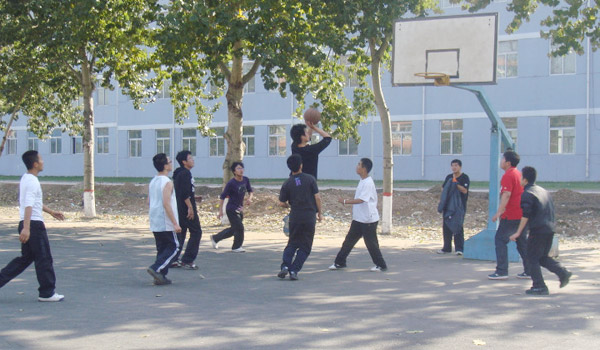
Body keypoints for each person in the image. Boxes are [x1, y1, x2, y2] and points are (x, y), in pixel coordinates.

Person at [0, 151, 66, 302]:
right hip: (34, 225)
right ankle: (47, 293)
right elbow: (28, 205)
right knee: (44, 259)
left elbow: (34, 203)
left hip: (29, 223)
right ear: (35, 164)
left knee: (25, 259)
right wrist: (27, 228)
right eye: (41, 159)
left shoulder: (26, 178)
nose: (43, 161)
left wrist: (51, 212)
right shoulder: (32, 182)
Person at [509, 166, 572, 295]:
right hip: (549, 229)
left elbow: (525, 215)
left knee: (531, 258)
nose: (520, 179)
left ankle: (539, 286)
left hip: (538, 230)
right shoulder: (543, 191)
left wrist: (518, 232)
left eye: (521, 177)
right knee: (542, 257)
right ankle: (563, 272)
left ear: (525, 180)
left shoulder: (527, 193)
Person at [329, 158, 387, 272]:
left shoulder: (368, 183)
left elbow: (361, 200)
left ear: (364, 169)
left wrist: (345, 201)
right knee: (349, 241)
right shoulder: (363, 180)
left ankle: (381, 265)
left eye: (359, 165)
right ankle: (339, 262)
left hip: (368, 220)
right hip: (359, 219)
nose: (357, 166)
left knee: (371, 243)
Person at [277, 154, 322, 280]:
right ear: (301, 165)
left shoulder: (287, 183)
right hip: (309, 217)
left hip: (295, 216)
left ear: (290, 168)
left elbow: (281, 202)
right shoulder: (310, 179)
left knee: (292, 243)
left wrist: (287, 206)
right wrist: (320, 212)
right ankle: (294, 270)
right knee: (305, 246)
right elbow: (317, 197)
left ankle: (285, 266)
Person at [488, 150, 530, 280]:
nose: (501, 161)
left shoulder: (508, 175)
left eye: (502, 159)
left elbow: (506, 195)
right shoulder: (519, 174)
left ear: (508, 162)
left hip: (511, 215)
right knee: (522, 243)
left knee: (500, 240)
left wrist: (499, 212)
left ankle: (502, 271)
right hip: (522, 214)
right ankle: (530, 270)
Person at [147, 153, 181, 285]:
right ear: (165, 165)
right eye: (170, 161)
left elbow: (149, 201)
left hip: (155, 218)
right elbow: (166, 203)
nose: (171, 163)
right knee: (174, 246)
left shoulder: (153, 181)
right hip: (165, 219)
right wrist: (175, 223)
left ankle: (160, 276)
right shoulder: (167, 182)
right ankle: (156, 268)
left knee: (162, 248)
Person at [170, 150, 203, 270]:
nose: (192, 160)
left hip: (180, 207)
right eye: (190, 158)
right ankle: (188, 260)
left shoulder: (179, 173)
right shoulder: (185, 174)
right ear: (184, 162)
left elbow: (183, 191)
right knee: (196, 232)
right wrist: (190, 207)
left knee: (181, 233)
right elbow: (184, 194)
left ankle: (173, 258)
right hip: (186, 208)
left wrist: (193, 197)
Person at [211, 162, 253, 252]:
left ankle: (215, 238)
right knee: (240, 227)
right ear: (234, 171)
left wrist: (249, 198)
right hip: (231, 209)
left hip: (240, 208)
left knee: (234, 229)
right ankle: (236, 247)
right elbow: (222, 197)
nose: (241, 170)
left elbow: (250, 191)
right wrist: (220, 211)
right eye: (238, 168)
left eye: (242, 168)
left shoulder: (246, 180)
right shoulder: (231, 183)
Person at [437, 159, 470, 255]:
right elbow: (444, 189)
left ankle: (459, 249)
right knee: (446, 226)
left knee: (458, 226)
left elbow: (464, 190)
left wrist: (455, 183)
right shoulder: (448, 177)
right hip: (448, 206)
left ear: (460, 166)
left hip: (459, 206)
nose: (454, 167)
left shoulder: (464, 177)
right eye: (452, 165)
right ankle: (446, 248)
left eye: (456, 165)